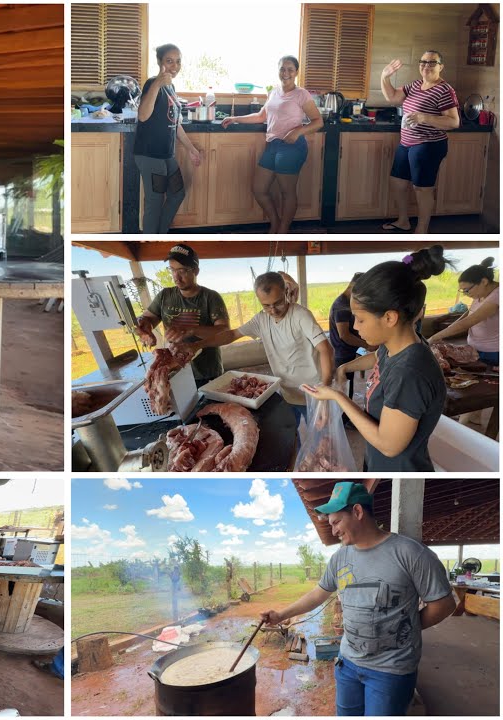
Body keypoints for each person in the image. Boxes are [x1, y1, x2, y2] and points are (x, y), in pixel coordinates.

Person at [259, 482, 456, 715]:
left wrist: (407, 627)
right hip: (348, 665)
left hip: (390, 671)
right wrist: (281, 614)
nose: (333, 531)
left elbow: (444, 604)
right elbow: (319, 593)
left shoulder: (410, 553)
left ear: (358, 512)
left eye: (336, 522)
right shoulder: (339, 558)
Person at [303, 246, 451, 471]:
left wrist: (337, 397)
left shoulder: (410, 374)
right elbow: (377, 358)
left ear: (390, 317)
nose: (354, 326)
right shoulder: (397, 345)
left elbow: (389, 445)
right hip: (379, 462)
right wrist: (344, 368)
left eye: (360, 320)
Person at [178, 272, 332, 425]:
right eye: (266, 305)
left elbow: (325, 349)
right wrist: (197, 345)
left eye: (278, 302)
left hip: (314, 392)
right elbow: (232, 335)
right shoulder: (261, 320)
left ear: (286, 292)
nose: (273, 310)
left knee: (321, 439)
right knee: (291, 434)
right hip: (287, 391)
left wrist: (324, 389)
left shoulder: (300, 315)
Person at [221, 56, 323, 234]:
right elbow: (261, 116)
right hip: (272, 144)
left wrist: (298, 132)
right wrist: (235, 118)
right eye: (282, 69)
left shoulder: (301, 94)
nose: (286, 73)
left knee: (287, 192)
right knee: (259, 189)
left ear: (296, 72)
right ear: (278, 71)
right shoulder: (274, 92)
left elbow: (318, 121)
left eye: (290, 69)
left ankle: (282, 231)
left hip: (292, 146)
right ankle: (275, 222)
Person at [380, 51, 461, 234]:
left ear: (441, 66)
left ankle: (422, 230)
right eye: (423, 62)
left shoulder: (444, 90)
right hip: (407, 143)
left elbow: (454, 122)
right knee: (397, 182)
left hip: (428, 145)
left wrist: (424, 118)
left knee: (422, 189)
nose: (426, 66)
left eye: (432, 63)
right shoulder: (416, 84)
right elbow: (393, 98)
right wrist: (384, 77)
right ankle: (403, 221)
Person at [134, 244, 230, 386]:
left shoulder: (210, 297)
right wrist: (144, 327)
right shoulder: (165, 295)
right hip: (175, 372)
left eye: (182, 271)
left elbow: (225, 332)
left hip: (207, 372)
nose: (176, 277)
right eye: (172, 270)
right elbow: (148, 319)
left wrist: (190, 330)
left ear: (196, 271)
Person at [133, 43, 203, 233]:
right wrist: (156, 83)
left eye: (178, 61)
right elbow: (143, 115)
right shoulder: (152, 84)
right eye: (169, 61)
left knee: (177, 193)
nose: (174, 66)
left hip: (166, 155)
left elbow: (175, 123)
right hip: (149, 155)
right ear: (159, 62)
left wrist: (191, 149)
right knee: (154, 203)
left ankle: (160, 234)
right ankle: (150, 239)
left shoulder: (171, 88)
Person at [429, 257, 499, 366]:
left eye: (467, 290)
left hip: (493, 353)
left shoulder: (497, 296)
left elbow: (469, 322)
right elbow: (469, 313)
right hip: (475, 349)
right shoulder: (480, 293)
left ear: (484, 282)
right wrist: (449, 329)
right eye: (463, 291)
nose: (466, 294)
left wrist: (434, 337)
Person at [329, 273, 376, 372]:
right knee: (342, 383)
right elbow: (344, 335)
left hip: (348, 350)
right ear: (354, 287)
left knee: (348, 381)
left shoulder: (347, 302)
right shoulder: (341, 306)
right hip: (342, 353)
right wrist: (367, 345)